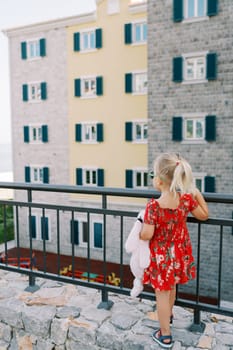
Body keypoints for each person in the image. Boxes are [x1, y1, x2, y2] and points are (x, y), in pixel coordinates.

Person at [140, 153, 209, 348]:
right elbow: (204, 215)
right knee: (171, 287)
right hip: (179, 254)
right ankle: (168, 316)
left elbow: (147, 234)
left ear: (159, 181)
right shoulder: (186, 199)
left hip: (162, 257)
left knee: (161, 295)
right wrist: (196, 193)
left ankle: (165, 335)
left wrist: (139, 234)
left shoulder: (153, 206)